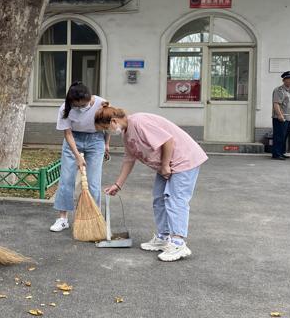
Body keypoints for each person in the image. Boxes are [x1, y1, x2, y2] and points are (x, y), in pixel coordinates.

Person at [95, 104, 208, 262]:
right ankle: (164, 237)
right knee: (159, 198)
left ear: (114, 121)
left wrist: (165, 165)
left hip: (184, 159)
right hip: (167, 164)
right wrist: (118, 185)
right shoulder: (126, 134)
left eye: (106, 128)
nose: (107, 132)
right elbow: (129, 159)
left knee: (176, 199)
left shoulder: (140, 122)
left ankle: (178, 242)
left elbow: (168, 141)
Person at [50, 82, 110, 232]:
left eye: (84, 105)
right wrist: (77, 156)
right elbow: (67, 133)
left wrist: (106, 144)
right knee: (66, 179)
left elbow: (108, 125)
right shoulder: (65, 108)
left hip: (96, 139)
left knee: (94, 182)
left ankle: (93, 218)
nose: (81, 109)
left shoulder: (101, 104)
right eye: (78, 106)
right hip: (73, 139)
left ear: (90, 98)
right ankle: (63, 219)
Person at [271, 71, 290, 160]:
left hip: (288, 118)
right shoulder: (279, 90)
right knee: (279, 136)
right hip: (281, 118)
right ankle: (276, 154)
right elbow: (276, 104)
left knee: (284, 136)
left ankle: (281, 152)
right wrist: (280, 115)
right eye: (289, 79)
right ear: (284, 80)